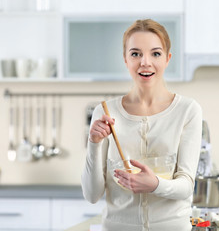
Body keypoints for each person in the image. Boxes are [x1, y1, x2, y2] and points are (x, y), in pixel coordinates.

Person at [81, 19, 202, 231]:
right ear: (125, 60)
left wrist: (155, 185)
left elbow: (186, 186)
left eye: (155, 53)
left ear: (167, 59)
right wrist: (93, 143)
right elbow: (91, 196)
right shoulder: (105, 112)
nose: (145, 62)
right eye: (135, 54)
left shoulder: (188, 110)